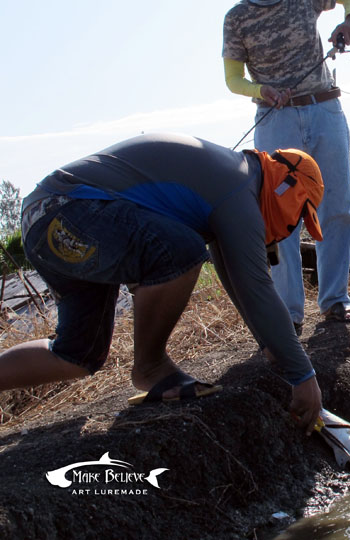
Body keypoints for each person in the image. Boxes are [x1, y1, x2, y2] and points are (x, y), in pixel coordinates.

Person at [0, 133, 325, 435]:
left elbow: (237, 277)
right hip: (67, 210)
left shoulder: (234, 182)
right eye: (300, 215)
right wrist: (303, 376)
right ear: (288, 186)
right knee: (178, 252)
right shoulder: (240, 186)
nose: (292, 227)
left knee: (77, 356)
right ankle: (150, 366)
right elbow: (256, 288)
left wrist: (271, 344)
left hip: (46, 221)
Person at [222, 0, 350, 331]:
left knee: (336, 207)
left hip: (324, 108)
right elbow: (233, 78)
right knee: (281, 217)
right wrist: (259, 90)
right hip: (275, 119)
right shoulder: (236, 19)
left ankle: (336, 299)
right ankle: (288, 312)